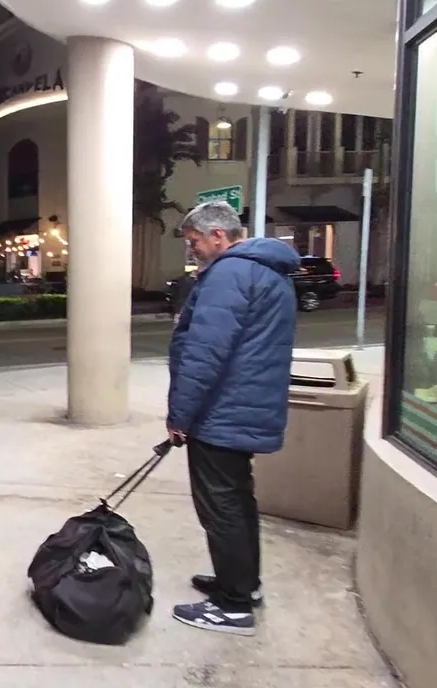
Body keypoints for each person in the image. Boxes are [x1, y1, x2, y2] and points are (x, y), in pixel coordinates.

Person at [166, 200, 301, 637]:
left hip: (221, 413)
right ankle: (243, 583)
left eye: (195, 241)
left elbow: (204, 353)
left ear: (218, 235)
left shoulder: (229, 274)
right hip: (244, 407)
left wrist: (180, 416)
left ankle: (233, 606)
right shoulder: (267, 270)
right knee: (238, 502)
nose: (192, 249)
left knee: (221, 508)